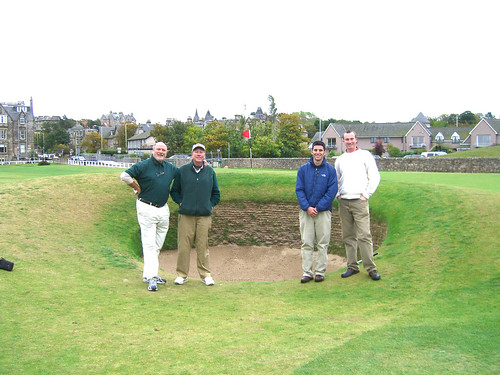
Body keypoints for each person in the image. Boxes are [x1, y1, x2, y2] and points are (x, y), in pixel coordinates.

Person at [120, 142, 178, 292]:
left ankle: (148, 274)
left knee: (157, 244)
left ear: (166, 152)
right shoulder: (144, 165)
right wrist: (136, 187)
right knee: (149, 244)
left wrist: (202, 166)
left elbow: (183, 175)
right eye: (158, 149)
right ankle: (152, 277)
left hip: (163, 209)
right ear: (153, 150)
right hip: (146, 207)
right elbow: (124, 176)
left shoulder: (169, 167)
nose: (161, 152)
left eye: (163, 150)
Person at [170, 143, 221, 286]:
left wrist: (209, 204)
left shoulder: (210, 172)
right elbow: (174, 191)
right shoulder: (183, 170)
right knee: (184, 246)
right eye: (196, 152)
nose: (199, 154)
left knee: (202, 246)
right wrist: (180, 202)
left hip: (204, 216)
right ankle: (182, 274)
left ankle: (205, 275)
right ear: (192, 154)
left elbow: (216, 193)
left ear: (204, 155)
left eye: (201, 152)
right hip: (186, 214)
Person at [335, 131, 381, 281]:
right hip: (344, 201)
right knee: (348, 235)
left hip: (359, 201)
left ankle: (371, 268)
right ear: (343, 141)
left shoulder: (365, 155)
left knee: (364, 235)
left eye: (351, 139)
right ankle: (352, 266)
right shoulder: (339, 159)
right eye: (346, 139)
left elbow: (374, 177)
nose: (349, 142)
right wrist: (338, 194)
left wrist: (366, 195)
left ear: (356, 140)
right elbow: (336, 179)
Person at [296, 141, 338, 283]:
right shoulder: (303, 170)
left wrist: (318, 208)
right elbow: (299, 190)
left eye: (321, 150)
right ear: (311, 152)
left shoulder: (330, 171)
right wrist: (307, 207)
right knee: (307, 243)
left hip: (323, 212)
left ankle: (320, 272)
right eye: (315, 150)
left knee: (322, 243)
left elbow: (331, 192)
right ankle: (307, 272)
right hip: (306, 212)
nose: (318, 152)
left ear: (325, 152)